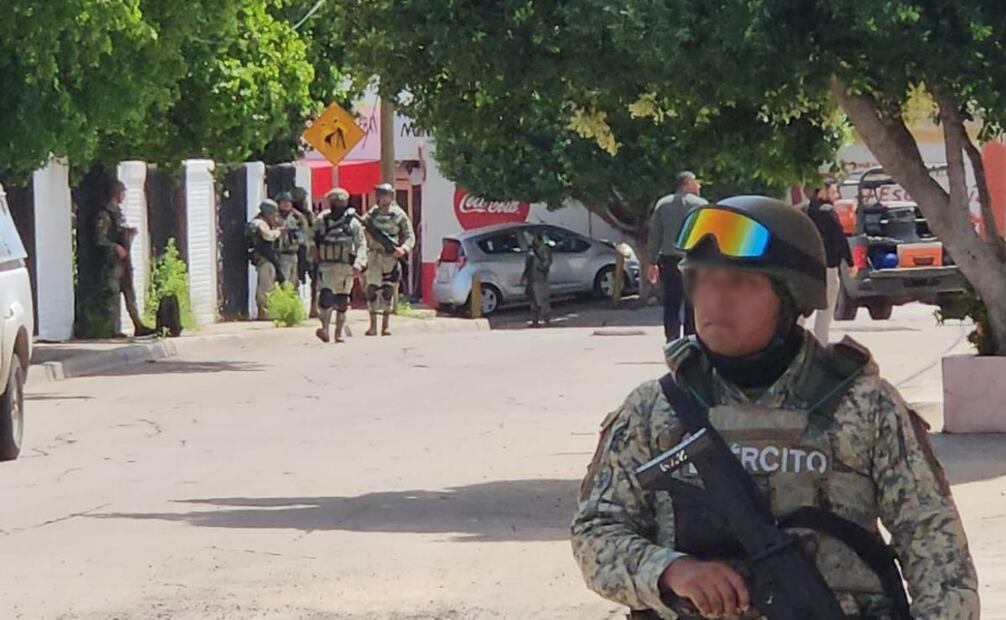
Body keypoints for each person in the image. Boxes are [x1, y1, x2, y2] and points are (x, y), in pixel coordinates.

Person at [572, 196, 978, 619]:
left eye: (741, 283)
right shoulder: (655, 408)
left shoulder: (864, 405)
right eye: (705, 280)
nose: (715, 300)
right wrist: (672, 570)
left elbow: (936, 549)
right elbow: (596, 532)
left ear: (791, 296)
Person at [647, 171, 708, 342]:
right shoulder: (702, 205)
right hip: (695, 260)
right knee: (693, 304)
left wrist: (651, 262)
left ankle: (672, 341)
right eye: (696, 182)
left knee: (671, 303)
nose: (699, 186)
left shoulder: (662, 204)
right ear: (687, 184)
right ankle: (691, 340)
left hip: (670, 260)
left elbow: (655, 235)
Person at [94, 181, 155, 337]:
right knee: (113, 296)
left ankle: (138, 325)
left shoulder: (118, 213)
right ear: (117, 193)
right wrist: (115, 247)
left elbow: (119, 232)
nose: (124, 196)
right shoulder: (105, 214)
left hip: (123, 261)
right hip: (112, 262)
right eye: (122, 193)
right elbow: (100, 239)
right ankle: (112, 330)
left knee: (129, 293)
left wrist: (128, 234)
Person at [313, 188, 367, 343]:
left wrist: (359, 263)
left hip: (345, 266)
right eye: (336, 202)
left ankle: (338, 333)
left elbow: (361, 244)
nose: (339, 205)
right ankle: (324, 329)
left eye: (341, 202)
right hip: (326, 265)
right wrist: (312, 253)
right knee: (326, 298)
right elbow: (311, 237)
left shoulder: (353, 223)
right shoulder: (321, 220)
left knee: (342, 301)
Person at [361, 182, 414, 336]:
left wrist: (403, 249)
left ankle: (385, 325)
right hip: (374, 256)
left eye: (386, 195)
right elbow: (360, 229)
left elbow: (410, 235)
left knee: (387, 290)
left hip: (390, 257)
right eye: (381, 195)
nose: (384, 198)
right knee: (371, 290)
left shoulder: (398, 214)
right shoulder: (371, 214)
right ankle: (372, 326)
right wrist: (366, 235)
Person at [803, 179, 852, 343]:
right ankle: (821, 341)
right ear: (822, 191)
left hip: (808, 268)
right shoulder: (828, 211)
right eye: (833, 191)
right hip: (828, 268)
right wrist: (850, 262)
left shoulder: (803, 211)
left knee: (804, 307)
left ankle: (796, 338)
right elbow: (839, 238)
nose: (836, 195)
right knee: (826, 309)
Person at [248, 199, 285, 319]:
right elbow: (268, 236)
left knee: (267, 285)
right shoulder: (260, 223)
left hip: (266, 259)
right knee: (266, 286)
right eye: (274, 214)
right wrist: (278, 232)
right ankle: (265, 313)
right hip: (264, 260)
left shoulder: (260, 222)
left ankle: (266, 312)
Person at [274, 191, 311, 286]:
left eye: (288, 202)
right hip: (280, 254)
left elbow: (305, 234)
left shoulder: (297, 217)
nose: (286, 204)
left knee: (294, 284)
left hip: (294, 254)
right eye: (283, 202)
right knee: (282, 284)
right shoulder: (273, 216)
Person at [521, 230, 553, 327]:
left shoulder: (544, 249)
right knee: (534, 300)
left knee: (542, 300)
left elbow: (547, 262)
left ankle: (547, 320)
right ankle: (535, 320)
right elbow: (528, 264)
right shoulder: (531, 250)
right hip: (532, 277)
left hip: (540, 278)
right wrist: (524, 276)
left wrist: (541, 267)